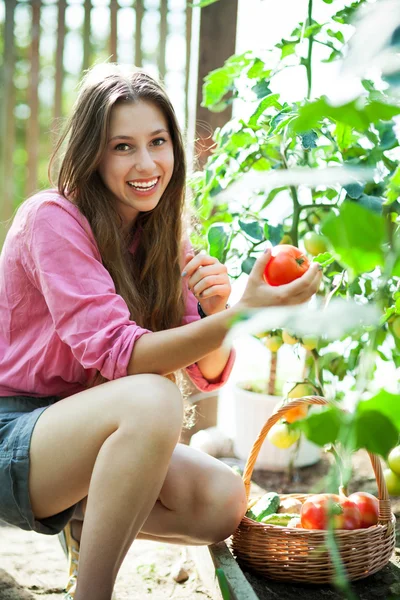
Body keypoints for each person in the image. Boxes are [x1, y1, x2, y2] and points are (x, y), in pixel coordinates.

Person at [0, 63, 322, 600]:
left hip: (83, 442)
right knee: (150, 397)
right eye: (122, 146)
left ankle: (87, 518)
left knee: (221, 501)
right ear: (91, 153)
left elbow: (206, 373)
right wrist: (243, 313)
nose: (146, 163)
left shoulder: (159, 240)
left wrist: (219, 304)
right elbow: (126, 357)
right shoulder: (51, 219)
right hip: (14, 434)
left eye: (158, 142)